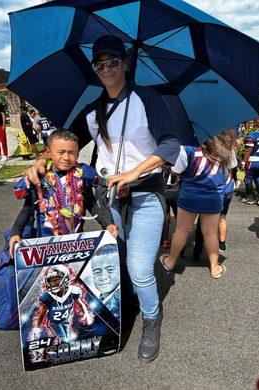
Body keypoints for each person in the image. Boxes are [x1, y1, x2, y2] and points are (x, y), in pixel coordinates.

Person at [25, 35, 180, 363]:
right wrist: (41, 160)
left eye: (113, 62)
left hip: (147, 194)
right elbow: (65, 142)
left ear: (125, 63)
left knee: (139, 267)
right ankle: (133, 305)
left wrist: (133, 172)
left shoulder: (146, 99)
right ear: (94, 68)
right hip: (109, 198)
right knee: (118, 262)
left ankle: (152, 319)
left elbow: (169, 146)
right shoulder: (92, 110)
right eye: (100, 64)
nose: (106, 68)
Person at [9, 129, 117, 257]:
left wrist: (108, 223)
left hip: (75, 242)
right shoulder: (39, 177)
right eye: (60, 152)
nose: (66, 157)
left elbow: (90, 204)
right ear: (48, 152)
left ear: (77, 154)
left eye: (72, 153)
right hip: (45, 243)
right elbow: (27, 209)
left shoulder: (82, 175)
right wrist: (16, 233)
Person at [160, 131, 234, 279]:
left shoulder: (187, 146)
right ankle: (214, 268)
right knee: (211, 233)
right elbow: (230, 169)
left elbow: (176, 171)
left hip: (189, 195)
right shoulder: (226, 147)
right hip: (213, 196)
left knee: (182, 230)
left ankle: (170, 261)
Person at [32, 264, 93, 342]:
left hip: (66, 321)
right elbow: (42, 314)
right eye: (51, 281)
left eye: (56, 280)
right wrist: (36, 328)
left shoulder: (73, 291)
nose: (52, 284)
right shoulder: (47, 296)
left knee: (67, 337)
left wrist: (86, 315)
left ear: (65, 279)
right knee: (64, 339)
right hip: (55, 322)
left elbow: (80, 303)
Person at [91, 244, 120, 319]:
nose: (103, 277)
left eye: (110, 270)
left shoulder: (117, 303)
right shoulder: (98, 302)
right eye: (97, 272)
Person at [242, 117, 259, 206]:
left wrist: (243, 161)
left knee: (248, 178)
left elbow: (249, 150)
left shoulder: (252, 135)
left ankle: (250, 197)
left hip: (252, 161)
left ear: (256, 124)